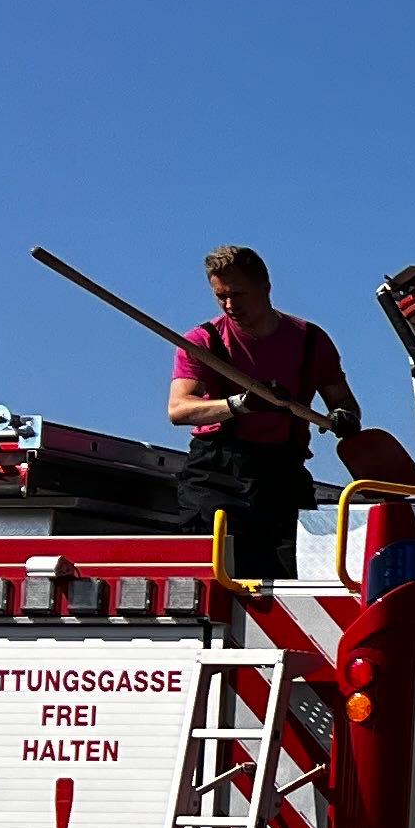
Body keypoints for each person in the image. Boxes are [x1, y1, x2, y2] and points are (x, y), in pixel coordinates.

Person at [164, 244, 359, 581]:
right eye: (220, 296)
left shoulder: (311, 341)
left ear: (265, 287)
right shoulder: (203, 341)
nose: (229, 305)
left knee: (290, 578)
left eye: (238, 294)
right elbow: (179, 409)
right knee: (212, 580)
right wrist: (239, 405)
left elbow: (344, 403)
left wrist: (344, 418)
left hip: (283, 475)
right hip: (216, 474)